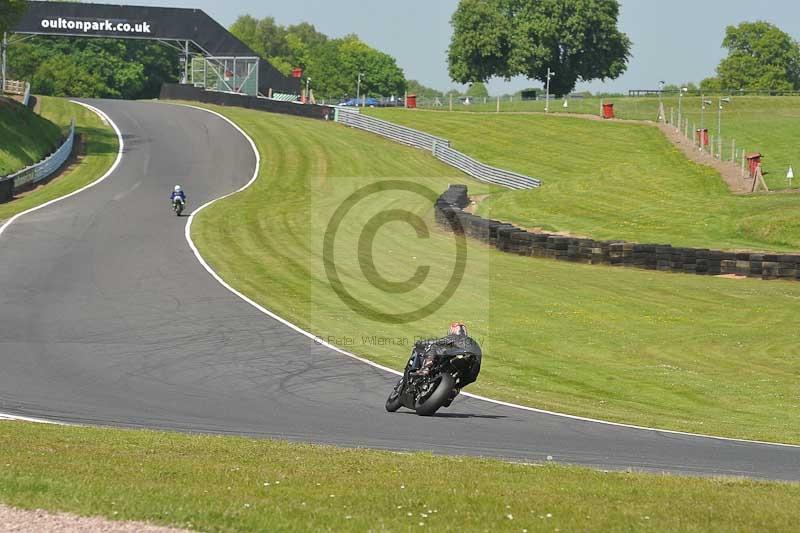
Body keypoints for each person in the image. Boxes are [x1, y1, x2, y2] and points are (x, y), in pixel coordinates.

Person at [409, 322, 480, 385]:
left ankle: (425, 369)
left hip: (459, 358)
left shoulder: (456, 337)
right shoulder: (474, 344)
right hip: (472, 367)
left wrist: (420, 343)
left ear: (453, 331)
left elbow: (435, 342)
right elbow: (474, 373)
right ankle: (455, 390)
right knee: (461, 384)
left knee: (433, 346)